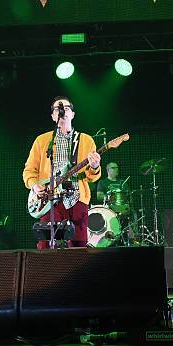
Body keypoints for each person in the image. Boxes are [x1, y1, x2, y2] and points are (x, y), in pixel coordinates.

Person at [23, 96, 101, 248]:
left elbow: (92, 177)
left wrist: (95, 166)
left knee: (79, 246)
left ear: (72, 114)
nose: (62, 111)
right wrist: (34, 185)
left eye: (66, 108)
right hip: (50, 200)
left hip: (77, 199)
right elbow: (29, 170)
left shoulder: (86, 140)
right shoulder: (42, 140)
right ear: (53, 116)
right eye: (58, 109)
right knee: (45, 245)